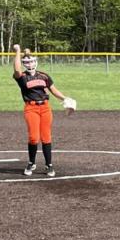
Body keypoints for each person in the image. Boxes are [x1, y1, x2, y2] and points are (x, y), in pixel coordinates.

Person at [11, 45, 76, 178]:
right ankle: (31, 163)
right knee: (34, 137)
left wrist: (65, 98)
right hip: (31, 108)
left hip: (45, 108)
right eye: (27, 62)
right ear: (24, 64)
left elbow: (53, 90)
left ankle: (49, 164)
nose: (30, 64)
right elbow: (17, 69)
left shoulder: (44, 76)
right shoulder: (22, 77)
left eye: (32, 61)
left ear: (36, 62)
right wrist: (18, 51)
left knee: (46, 137)